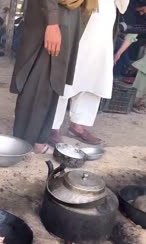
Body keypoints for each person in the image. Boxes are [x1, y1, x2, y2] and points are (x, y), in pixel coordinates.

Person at [10, 0, 97, 154]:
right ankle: (24, 144)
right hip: (52, 15)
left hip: (67, 16)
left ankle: (39, 141)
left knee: (54, 81)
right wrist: (52, 23)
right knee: (39, 79)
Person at [50, 0, 130, 146]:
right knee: (68, 76)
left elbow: (122, 6)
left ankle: (77, 126)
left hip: (104, 28)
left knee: (93, 78)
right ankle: (52, 126)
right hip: (80, 21)